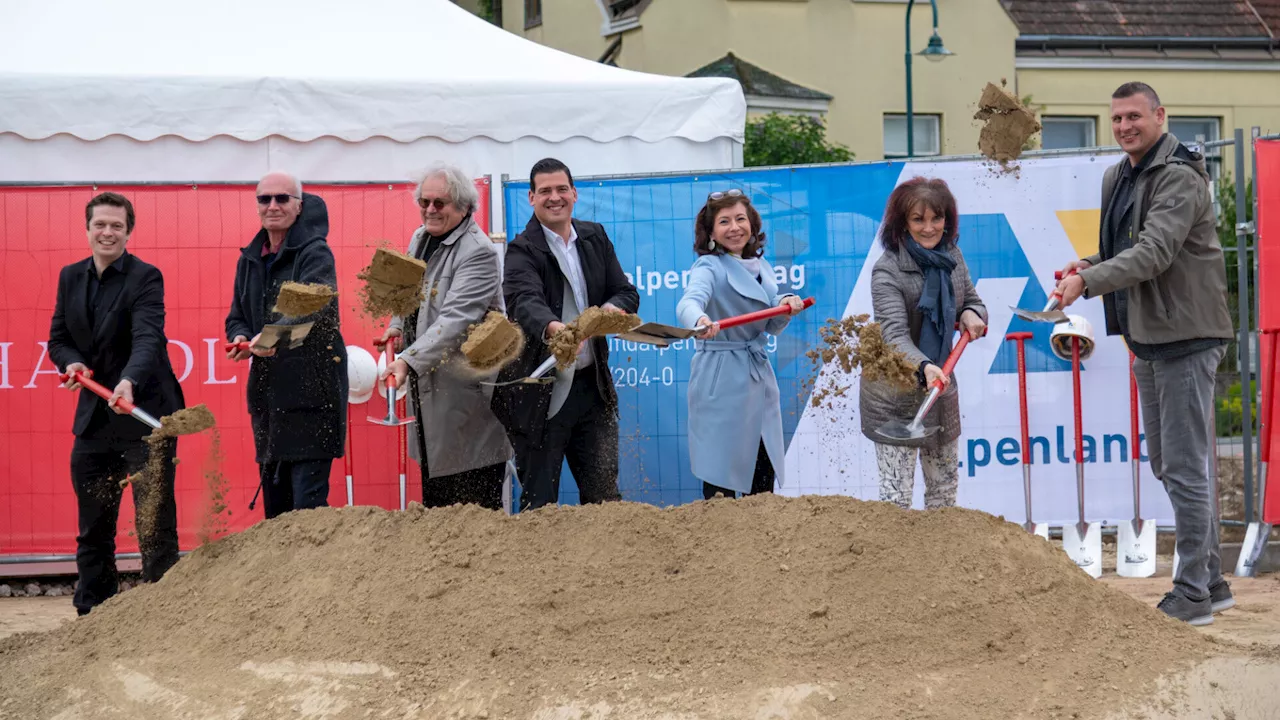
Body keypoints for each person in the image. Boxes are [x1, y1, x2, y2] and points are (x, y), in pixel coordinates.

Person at [1054, 81, 1235, 625]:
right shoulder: (1119, 175)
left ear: (1160, 116)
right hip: (1148, 336)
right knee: (1167, 464)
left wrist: (1088, 285)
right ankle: (1212, 581)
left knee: (1183, 466)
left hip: (1188, 336)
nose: (1125, 126)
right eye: (1117, 119)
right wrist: (1087, 266)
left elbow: (1155, 252)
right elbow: (1120, 251)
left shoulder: (1178, 175)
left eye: (1135, 116)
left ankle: (1193, 594)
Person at [48, 192, 184, 616]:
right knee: (94, 526)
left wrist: (128, 381)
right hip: (94, 419)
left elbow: (148, 338)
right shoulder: (70, 277)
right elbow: (58, 338)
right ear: (87, 229)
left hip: (143, 415)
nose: (107, 232)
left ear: (129, 230)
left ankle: (161, 615)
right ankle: (93, 613)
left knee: (154, 526)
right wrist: (72, 362)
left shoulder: (146, 277)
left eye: (116, 226)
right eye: (100, 225)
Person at [491, 158, 640, 511]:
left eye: (561, 189)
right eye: (545, 191)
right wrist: (557, 330)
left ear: (574, 193)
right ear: (531, 197)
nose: (554, 197)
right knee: (540, 503)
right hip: (541, 395)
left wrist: (607, 313)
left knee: (605, 498)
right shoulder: (521, 249)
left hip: (592, 389)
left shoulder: (595, 236)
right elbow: (523, 302)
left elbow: (626, 291)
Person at [378, 163, 513, 510]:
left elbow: (456, 320)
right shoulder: (420, 237)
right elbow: (408, 290)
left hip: (466, 402)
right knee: (438, 508)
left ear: (465, 207)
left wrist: (407, 360)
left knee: (473, 513)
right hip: (431, 399)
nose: (430, 209)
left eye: (440, 203)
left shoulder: (478, 252)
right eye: (424, 202)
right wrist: (397, 323)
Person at [225, 171, 347, 519]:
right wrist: (238, 337)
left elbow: (315, 309)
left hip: (313, 398)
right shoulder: (249, 259)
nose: (273, 206)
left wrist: (269, 340)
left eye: (282, 199)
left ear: (299, 206)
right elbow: (236, 316)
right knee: (275, 515)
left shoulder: (315, 253)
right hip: (269, 400)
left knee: (307, 514)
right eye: (265, 199)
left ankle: (312, 575)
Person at [859, 177, 986, 509]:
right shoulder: (887, 271)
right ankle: (898, 563)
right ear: (903, 223)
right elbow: (893, 336)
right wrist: (926, 366)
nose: (930, 228)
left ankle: (941, 561)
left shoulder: (952, 256)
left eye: (937, 218)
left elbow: (971, 299)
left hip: (941, 391)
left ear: (948, 220)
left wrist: (972, 313)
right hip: (895, 396)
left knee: (943, 493)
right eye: (919, 219)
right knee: (896, 500)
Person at [676, 189, 804, 500]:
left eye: (740, 219)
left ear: (752, 225)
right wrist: (699, 321)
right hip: (720, 379)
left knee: (762, 470)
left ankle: (760, 545)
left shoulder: (763, 267)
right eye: (724, 221)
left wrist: (786, 304)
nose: (734, 228)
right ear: (711, 232)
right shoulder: (708, 267)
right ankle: (719, 546)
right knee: (720, 472)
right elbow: (688, 303)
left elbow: (770, 323)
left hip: (756, 375)